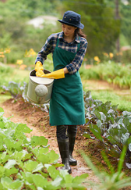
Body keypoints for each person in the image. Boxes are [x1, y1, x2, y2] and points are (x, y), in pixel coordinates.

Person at [35, 11, 87, 174]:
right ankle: (64, 162)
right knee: (61, 123)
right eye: (63, 26)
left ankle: (70, 155)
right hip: (57, 87)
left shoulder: (82, 43)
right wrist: (38, 66)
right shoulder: (54, 39)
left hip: (72, 85)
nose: (65, 29)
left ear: (76, 29)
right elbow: (41, 54)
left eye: (69, 28)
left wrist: (51, 74)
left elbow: (74, 67)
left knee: (72, 123)